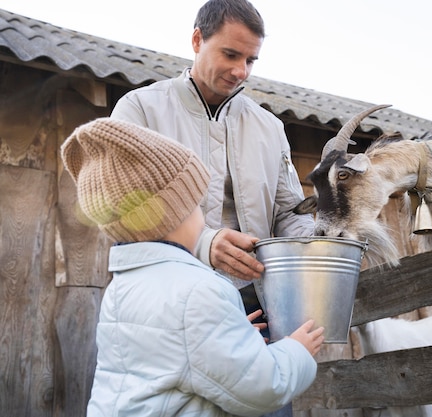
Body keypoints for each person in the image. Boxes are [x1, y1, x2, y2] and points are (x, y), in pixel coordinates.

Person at [60, 117, 324, 416]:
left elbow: (175, 347)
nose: (202, 217)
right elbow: (263, 387)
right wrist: (296, 350)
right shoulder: (199, 291)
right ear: (172, 216)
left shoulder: (122, 288)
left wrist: (228, 332)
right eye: (195, 206)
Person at [110, 0, 314, 309]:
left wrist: (321, 243)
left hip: (251, 301)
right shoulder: (139, 109)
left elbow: (289, 213)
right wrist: (202, 242)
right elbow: (121, 207)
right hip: (163, 297)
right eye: (230, 54)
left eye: (250, 60)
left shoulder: (270, 128)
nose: (240, 71)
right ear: (196, 40)